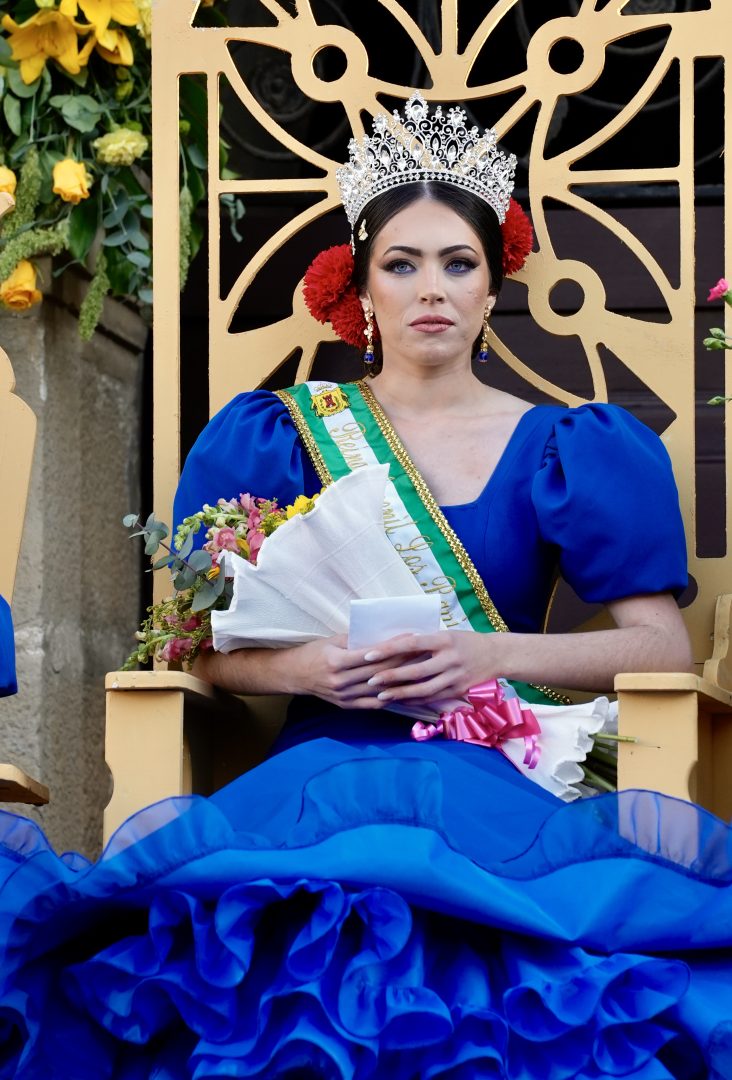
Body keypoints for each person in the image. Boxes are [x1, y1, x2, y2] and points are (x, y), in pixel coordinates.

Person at [0, 94, 729, 1080]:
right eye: (402, 263)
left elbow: (659, 646)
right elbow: (185, 644)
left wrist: (485, 654)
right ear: (360, 283)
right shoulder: (278, 435)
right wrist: (305, 668)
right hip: (313, 772)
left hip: (491, 776)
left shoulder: (569, 444)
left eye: (458, 264)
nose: (432, 290)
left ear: (493, 282)